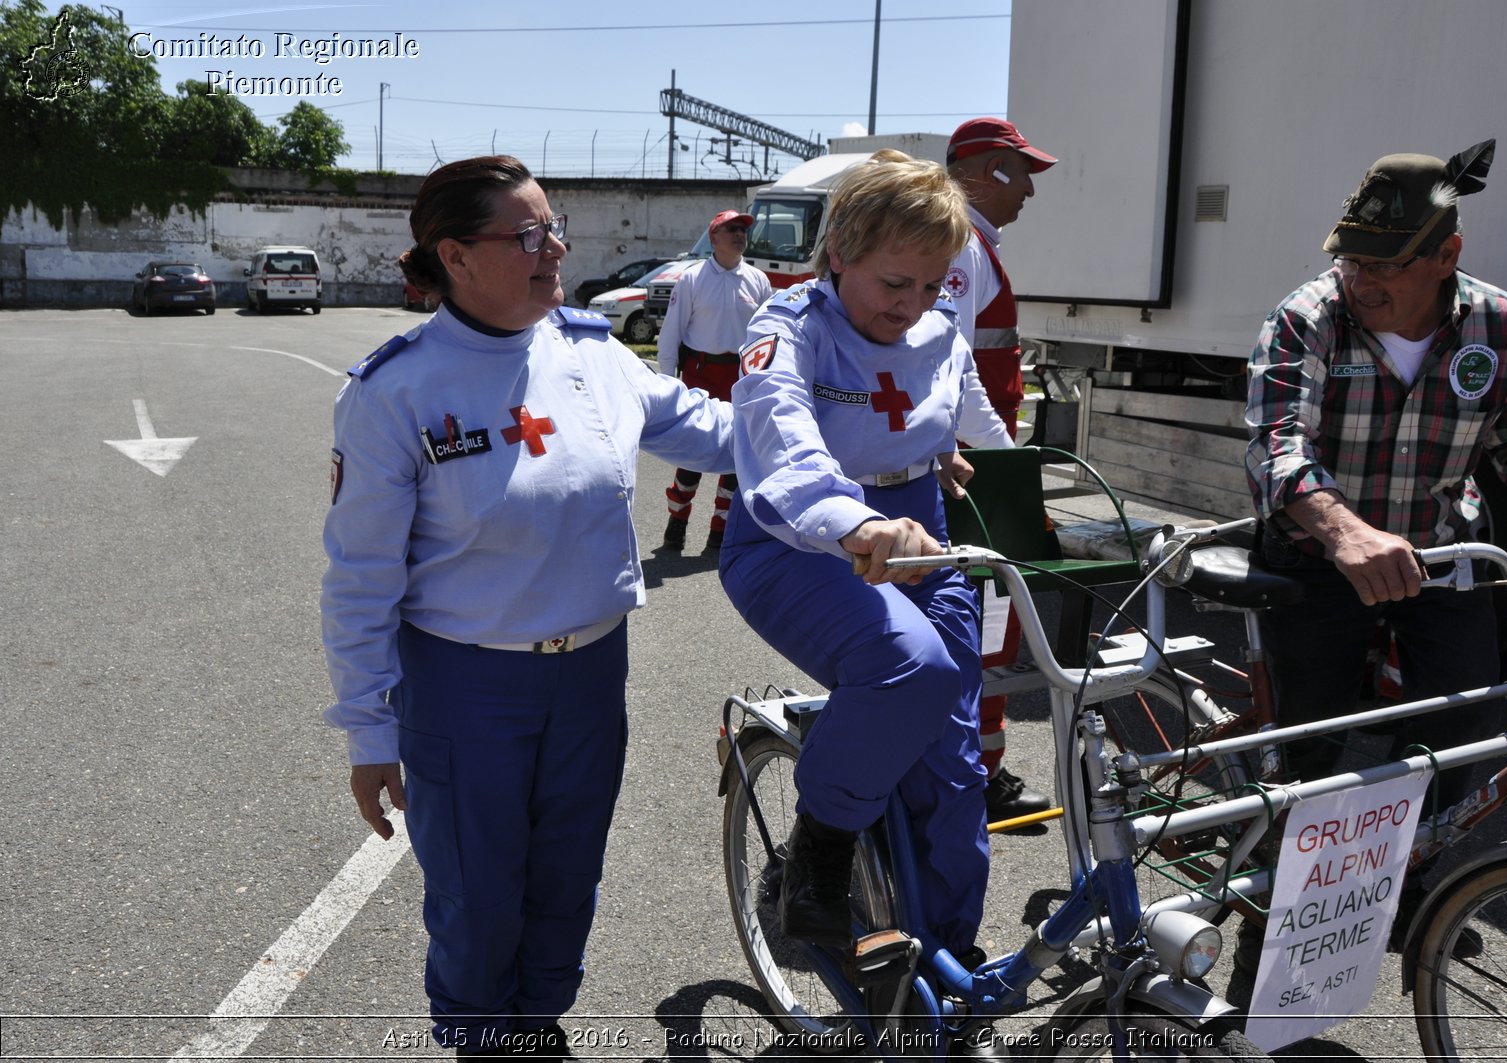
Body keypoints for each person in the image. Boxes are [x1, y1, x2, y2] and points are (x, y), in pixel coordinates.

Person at [320, 155, 733, 1059]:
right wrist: (368, 730)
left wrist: (857, 439)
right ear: (456, 257)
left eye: (553, 228)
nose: (557, 248)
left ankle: (537, 1024)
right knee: (476, 889)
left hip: (592, 673)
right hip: (466, 687)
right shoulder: (397, 389)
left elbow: (719, 427)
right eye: (529, 234)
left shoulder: (591, 355)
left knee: (566, 873)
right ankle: (480, 1039)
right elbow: (360, 577)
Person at [718, 154, 1011, 1052]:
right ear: (837, 251)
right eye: (894, 281)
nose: (913, 304)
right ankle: (821, 848)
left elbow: (982, 431)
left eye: (931, 284)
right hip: (796, 540)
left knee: (958, 774)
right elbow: (790, 454)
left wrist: (1035, 512)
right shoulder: (785, 327)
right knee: (907, 667)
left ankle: (943, 971)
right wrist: (859, 524)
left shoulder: (940, 323)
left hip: (922, 529)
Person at [1245, 139, 1507, 807]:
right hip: (1319, 558)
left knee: (1464, 720)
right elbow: (1278, 442)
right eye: (1349, 259)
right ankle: (1290, 896)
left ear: (1447, 257)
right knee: (1313, 743)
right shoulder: (1307, 318)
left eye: (1383, 264)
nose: (1359, 280)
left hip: (1439, 552)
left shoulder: (1501, 327)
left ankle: (1407, 870)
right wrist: (1344, 532)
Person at [945, 116, 1060, 823]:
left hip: (975, 467)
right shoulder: (963, 248)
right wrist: (1003, 468)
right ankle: (974, 781)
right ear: (989, 171)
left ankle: (974, 770)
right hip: (973, 476)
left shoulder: (971, 245)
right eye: (1022, 174)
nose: (1029, 192)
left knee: (986, 628)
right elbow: (946, 368)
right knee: (987, 630)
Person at [657, 209, 774, 552]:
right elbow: (670, 334)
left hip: (741, 376)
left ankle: (719, 533)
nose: (739, 234)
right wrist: (666, 384)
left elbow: (769, 336)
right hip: (700, 373)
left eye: (743, 229)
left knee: (738, 456)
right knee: (693, 452)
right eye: (731, 229)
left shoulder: (758, 280)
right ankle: (676, 524)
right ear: (714, 238)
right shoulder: (692, 279)